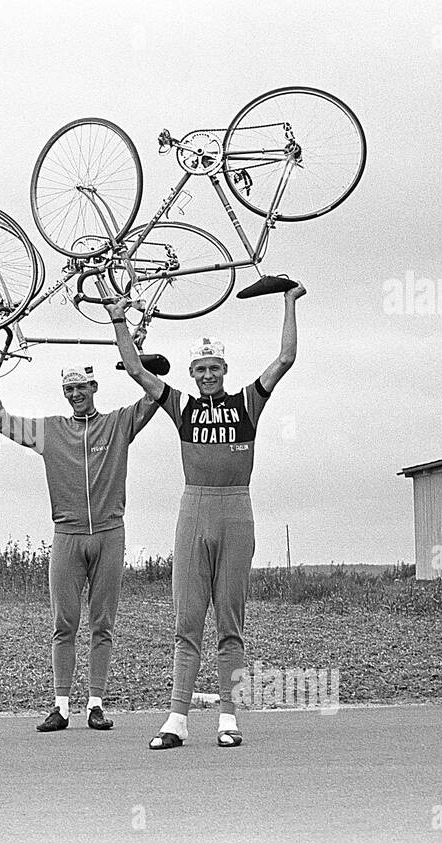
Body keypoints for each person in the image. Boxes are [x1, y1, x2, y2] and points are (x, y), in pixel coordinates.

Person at [110, 284, 304, 749]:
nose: (209, 375)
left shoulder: (247, 403)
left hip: (236, 510)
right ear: (193, 374)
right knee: (187, 620)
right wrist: (119, 321)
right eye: (201, 369)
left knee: (230, 623)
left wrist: (289, 302)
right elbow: (136, 370)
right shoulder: (183, 406)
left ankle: (228, 719)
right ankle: (176, 720)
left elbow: (286, 358)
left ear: (225, 370)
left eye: (215, 368)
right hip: (193, 510)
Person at [0, 361, 157, 732]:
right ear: (64, 393)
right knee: (65, 624)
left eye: (82, 387)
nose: (76, 395)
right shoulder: (51, 431)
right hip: (68, 536)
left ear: (94, 387)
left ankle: (96, 704)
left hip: (109, 533)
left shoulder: (118, 423)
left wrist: (143, 365)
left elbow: (155, 397)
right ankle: (61, 707)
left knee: (102, 624)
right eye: (69, 390)